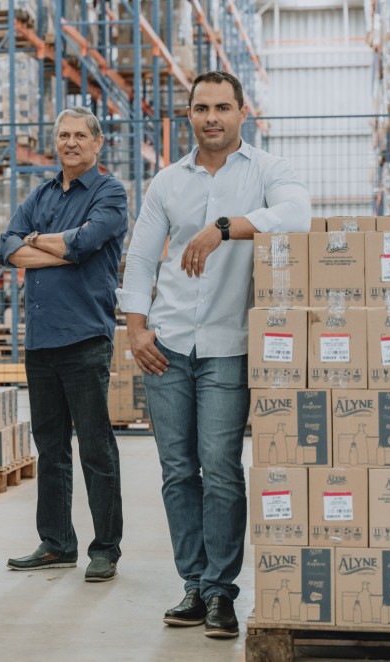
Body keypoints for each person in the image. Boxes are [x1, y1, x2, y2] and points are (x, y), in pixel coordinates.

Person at [116, 71, 312, 638]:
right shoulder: (167, 182)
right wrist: (136, 328)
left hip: (229, 346)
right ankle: (194, 585)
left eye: (222, 107)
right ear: (190, 114)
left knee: (222, 471)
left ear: (242, 112)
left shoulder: (267, 170)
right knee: (178, 472)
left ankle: (222, 592)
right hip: (167, 344)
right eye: (201, 108)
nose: (212, 118)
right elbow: (141, 259)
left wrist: (224, 228)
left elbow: (299, 215)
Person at [0, 107, 127, 583]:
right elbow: (6, 246)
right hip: (41, 341)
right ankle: (56, 543)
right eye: (63, 135)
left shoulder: (109, 191)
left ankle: (106, 548)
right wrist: (54, 248)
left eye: (80, 136)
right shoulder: (43, 193)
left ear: (98, 144)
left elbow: (88, 240)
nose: (71, 143)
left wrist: (40, 246)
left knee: (96, 448)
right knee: (49, 447)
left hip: (85, 338)